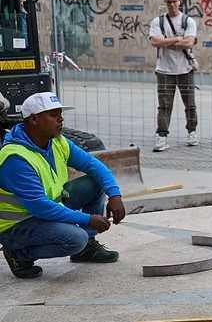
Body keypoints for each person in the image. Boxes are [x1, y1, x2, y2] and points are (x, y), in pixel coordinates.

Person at [0, 92, 125, 279]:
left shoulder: (57, 142)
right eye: (53, 115)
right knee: (75, 238)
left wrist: (115, 195)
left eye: (60, 114)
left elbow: (94, 166)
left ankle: (86, 249)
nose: (60, 119)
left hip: (47, 209)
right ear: (34, 119)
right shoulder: (16, 158)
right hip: (17, 225)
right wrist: (87, 219)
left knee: (96, 182)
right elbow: (40, 207)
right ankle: (18, 254)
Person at [148, 0, 198, 152]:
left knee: (190, 104)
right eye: (168, 2)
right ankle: (162, 135)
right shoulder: (158, 21)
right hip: (164, 70)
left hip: (185, 69)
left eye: (174, 1)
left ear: (179, 1)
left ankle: (192, 132)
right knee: (164, 105)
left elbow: (189, 42)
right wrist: (177, 39)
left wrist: (166, 42)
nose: (172, 5)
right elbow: (155, 42)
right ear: (165, 3)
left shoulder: (188, 21)